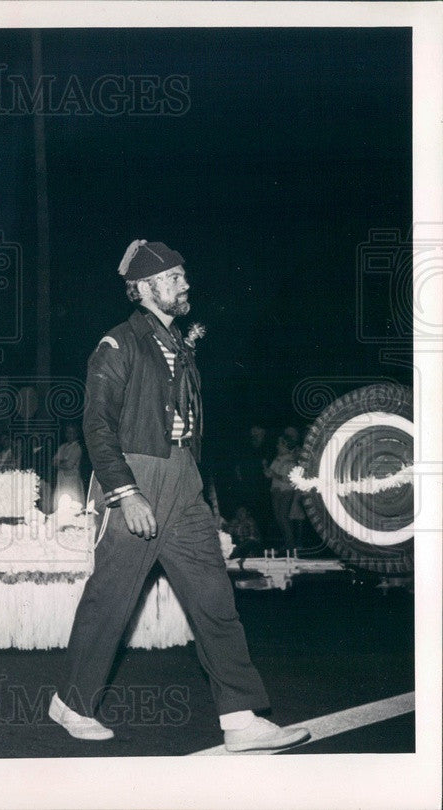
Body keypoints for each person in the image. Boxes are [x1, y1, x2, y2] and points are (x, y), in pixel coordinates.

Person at [49, 239, 309, 752]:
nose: (184, 284)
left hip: (182, 480)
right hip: (136, 479)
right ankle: (72, 704)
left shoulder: (179, 346)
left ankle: (239, 717)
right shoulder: (117, 344)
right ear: (144, 289)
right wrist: (126, 494)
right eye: (172, 278)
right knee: (112, 599)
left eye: (182, 275)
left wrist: (197, 491)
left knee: (214, 597)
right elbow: (97, 427)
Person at [266, 433, 300, 550]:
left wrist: (275, 475)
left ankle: (291, 544)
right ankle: (287, 542)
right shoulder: (277, 459)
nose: (277, 446)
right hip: (275, 490)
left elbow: (290, 479)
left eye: (279, 444)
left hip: (286, 491)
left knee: (283, 517)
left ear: (286, 446)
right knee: (278, 517)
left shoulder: (292, 461)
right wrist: (267, 470)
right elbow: (270, 474)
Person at [52, 423, 85, 509]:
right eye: (68, 433)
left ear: (76, 434)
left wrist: (60, 462)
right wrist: (63, 462)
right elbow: (53, 462)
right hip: (61, 480)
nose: (70, 435)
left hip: (72, 482)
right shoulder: (62, 447)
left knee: (73, 506)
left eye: (72, 433)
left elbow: (69, 465)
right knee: (59, 504)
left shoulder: (77, 448)